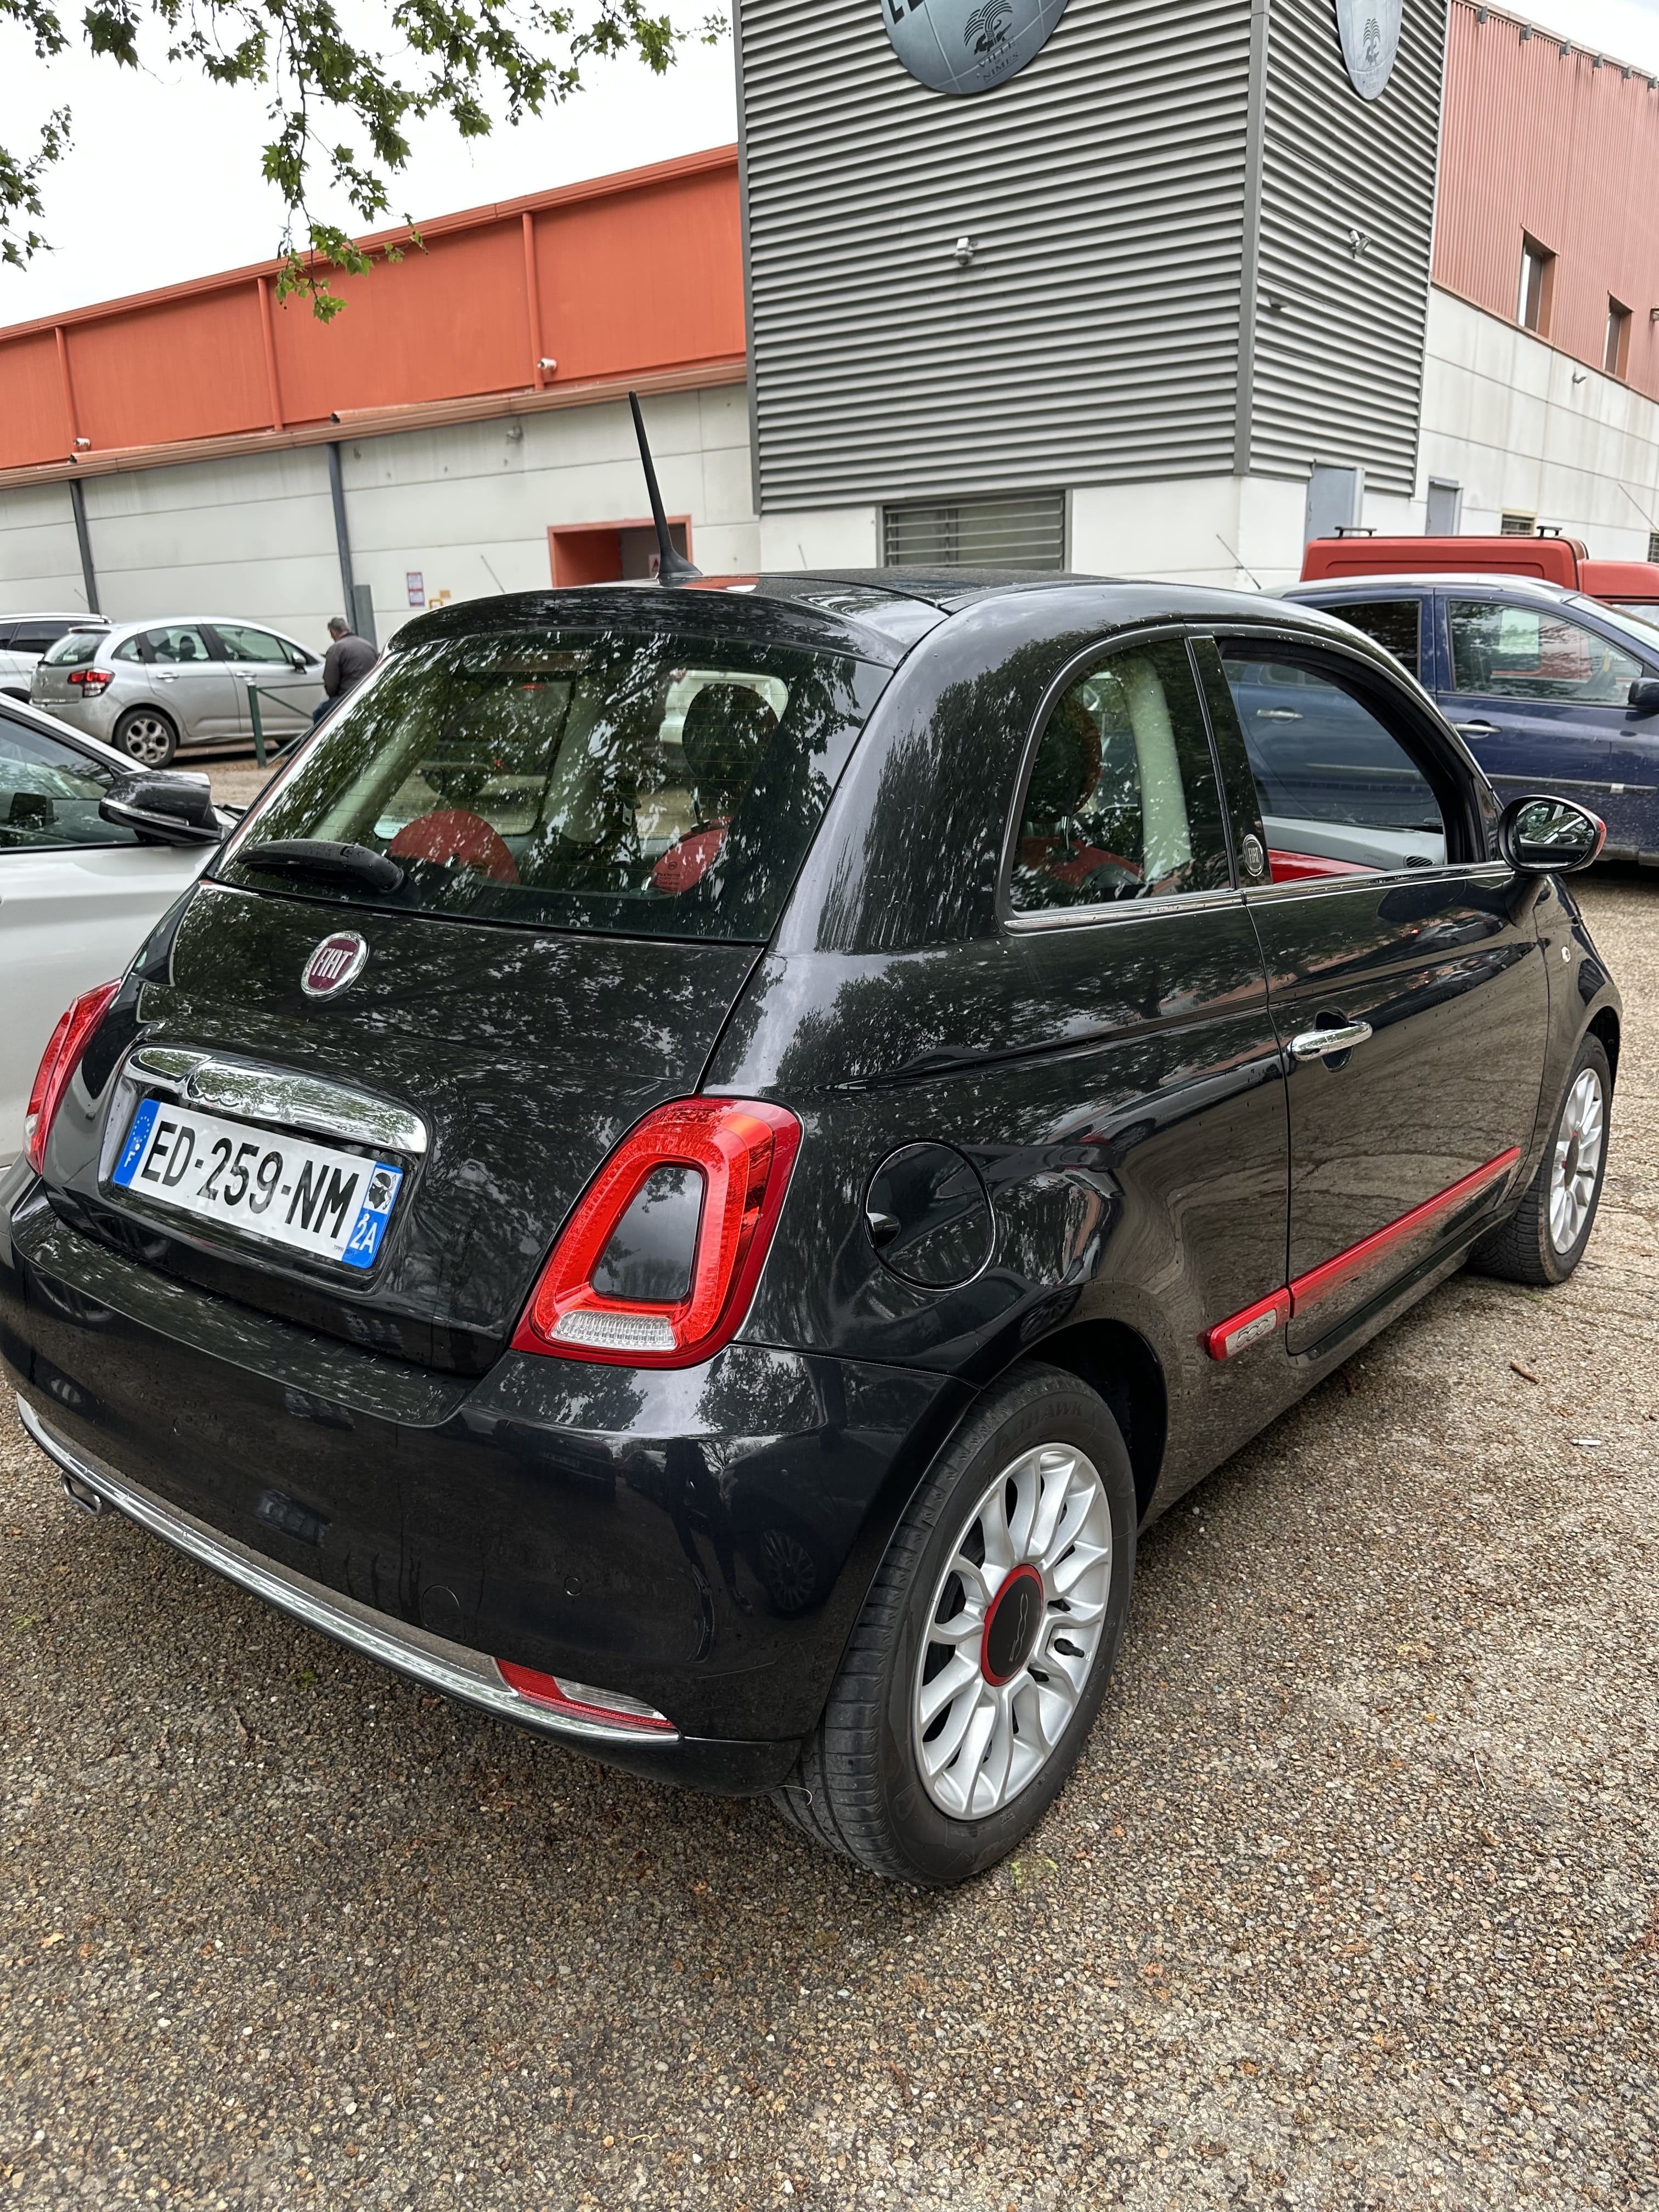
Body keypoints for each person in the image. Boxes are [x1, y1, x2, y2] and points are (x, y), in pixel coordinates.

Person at [312, 616, 377, 724]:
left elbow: (331, 683)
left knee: (319, 713)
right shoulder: (368, 645)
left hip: (348, 697)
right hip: (371, 694)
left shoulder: (336, 649)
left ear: (333, 632)